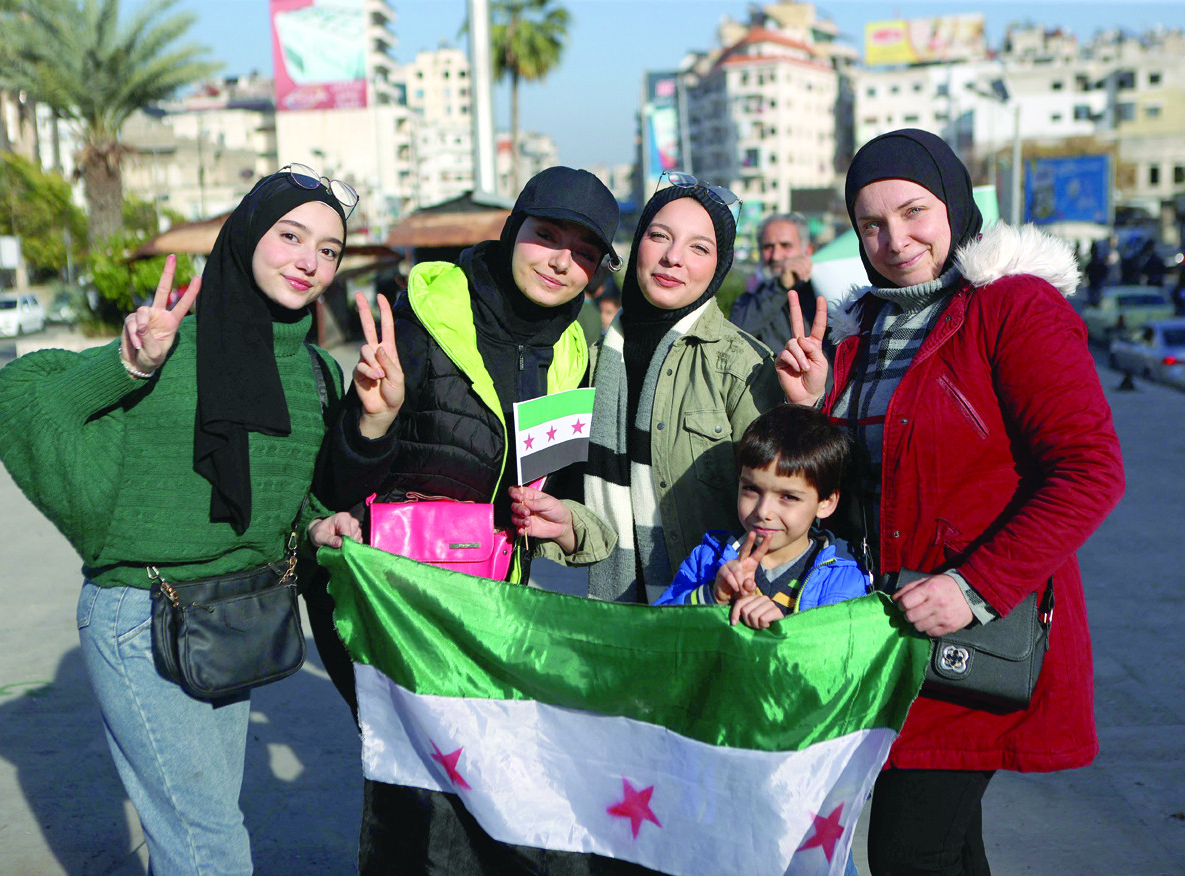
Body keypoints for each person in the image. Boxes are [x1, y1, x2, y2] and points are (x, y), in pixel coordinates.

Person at [0, 166, 362, 876]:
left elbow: (297, 496)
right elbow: (24, 402)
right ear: (249, 233)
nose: (308, 260)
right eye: (290, 235)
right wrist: (127, 366)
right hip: (142, 616)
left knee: (201, 829)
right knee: (208, 843)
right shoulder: (167, 342)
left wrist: (318, 527)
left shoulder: (316, 370)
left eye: (329, 249)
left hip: (242, 615)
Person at [777, 129, 1125, 875]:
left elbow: (1089, 470)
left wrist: (973, 586)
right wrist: (816, 406)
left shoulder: (1012, 308)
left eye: (912, 212)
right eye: (870, 223)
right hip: (890, 636)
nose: (894, 239)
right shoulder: (860, 329)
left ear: (955, 206)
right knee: (949, 850)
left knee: (908, 853)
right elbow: (867, 478)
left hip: (974, 638)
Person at [312, 165, 629, 874]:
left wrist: (559, 517)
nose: (560, 261)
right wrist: (373, 419)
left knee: (483, 801)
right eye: (546, 235)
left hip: (496, 608)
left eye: (583, 251)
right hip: (401, 604)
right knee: (415, 806)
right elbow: (338, 483)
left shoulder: (574, 346)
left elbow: (561, 482)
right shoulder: (420, 312)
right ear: (513, 227)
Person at [511, 173, 784, 605]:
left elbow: (785, 503)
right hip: (609, 621)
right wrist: (564, 523)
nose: (673, 257)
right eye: (659, 236)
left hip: (709, 615)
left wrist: (809, 404)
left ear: (720, 266)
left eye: (699, 247)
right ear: (637, 245)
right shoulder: (589, 359)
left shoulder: (743, 365)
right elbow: (571, 502)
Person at [653, 403, 868, 628]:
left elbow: (840, 659)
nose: (763, 511)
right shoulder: (707, 559)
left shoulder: (843, 579)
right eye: (751, 490)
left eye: (788, 497)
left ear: (826, 503)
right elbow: (655, 632)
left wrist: (782, 634)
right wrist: (712, 597)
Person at [729, 211, 818, 351]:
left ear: (807, 250)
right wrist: (781, 287)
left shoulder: (822, 292)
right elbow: (734, 337)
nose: (776, 256)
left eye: (785, 245)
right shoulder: (750, 301)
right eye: (767, 247)